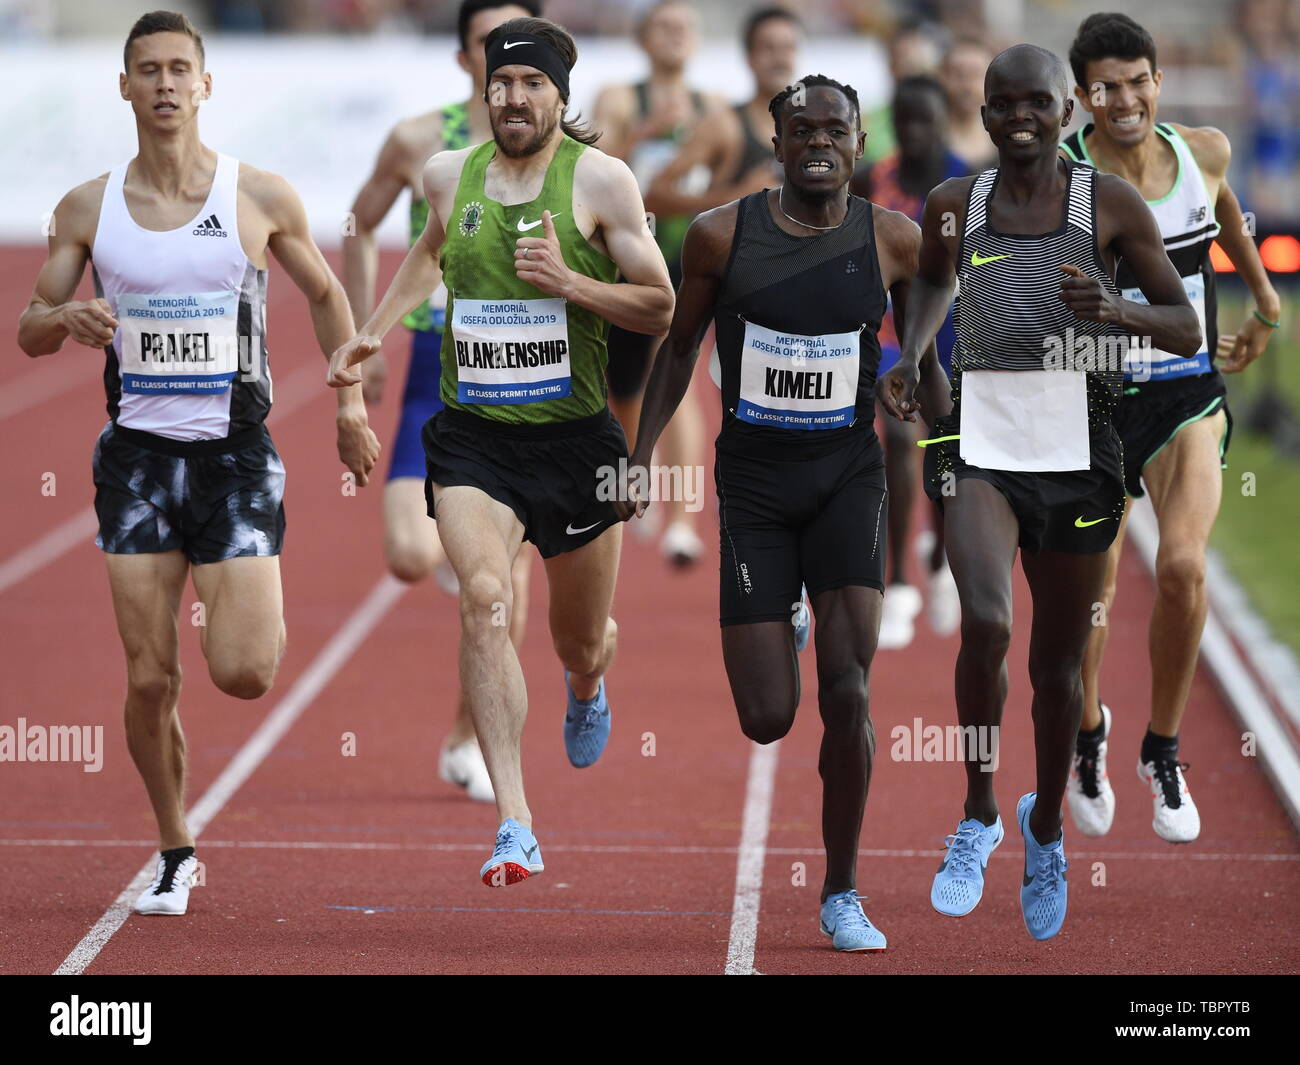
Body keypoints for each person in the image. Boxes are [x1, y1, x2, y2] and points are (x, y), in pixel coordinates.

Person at [16, 11, 379, 915]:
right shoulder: (85, 209)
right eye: (150, 70)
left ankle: (242, 597)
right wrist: (65, 321)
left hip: (235, 459)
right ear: (126, 88)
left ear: (205, 85)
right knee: (148, 675)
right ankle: (175, 844)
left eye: (182, 68)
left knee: (246, 671)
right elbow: (28, 327)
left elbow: (329, 294)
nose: (167, 84)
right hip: (135, 463)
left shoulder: (257, 196)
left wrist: (349, 399)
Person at [328, 17, 673, 886]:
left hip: (578, 444)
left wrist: (569, 282)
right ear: (484, 92)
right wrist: (372, 332)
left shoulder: (602, 181)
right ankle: (514, 819)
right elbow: (430, 255)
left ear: (561, 94)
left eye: (532, 85)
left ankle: (589, 682)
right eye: (501, 84)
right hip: (475, 438)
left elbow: (660, 304)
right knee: (484, 599)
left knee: (578, 639)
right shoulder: (450, 174)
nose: (514, 98)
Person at [878, 44, 1201, 940]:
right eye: (1001, 104)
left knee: (1058, 672)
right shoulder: (955, 205)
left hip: (1081, 446)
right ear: (982, 116)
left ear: (1067, 112)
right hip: (981, 438)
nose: (1019, 117)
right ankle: (979, 808)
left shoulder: (1110, 204)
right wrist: (913, 358)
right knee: (985, 622)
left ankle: (1047, 826)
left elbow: (1182, 326)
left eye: (1037, 103)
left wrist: (1116, 310)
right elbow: (933, 289)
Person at [624, 75, 950, 951]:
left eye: (834, 131)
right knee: (768, 716)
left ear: (857, 144)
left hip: (850, 474)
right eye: (800, 130)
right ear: (776, 142)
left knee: (849, 692)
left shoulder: (890, 236)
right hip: (758, 489)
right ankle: (789, 608)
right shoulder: (720, 236)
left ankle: (841, 889)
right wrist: (640, 455)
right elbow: (682, 344)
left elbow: (938, 286)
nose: (818, 143)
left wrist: (913, 358)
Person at [1060, 12, 1281, 843]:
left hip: (1187, 394)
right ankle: (1090, 733)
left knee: (1184, 565)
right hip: (1093, 403)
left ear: (1159, 80)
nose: (1124, 100)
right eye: (1105, 88)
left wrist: (1263, 302)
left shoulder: (1205, 149)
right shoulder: (1064, 175)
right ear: (1083, 96)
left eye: (1137, 81)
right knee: (1091, 596)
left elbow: (1223, 212)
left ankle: (1162, 746)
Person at [343, 0, 539, 804]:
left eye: (526, 49)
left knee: (504, 586)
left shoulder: (568, 146)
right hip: (437, 363)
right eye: (493, 47)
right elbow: (359, 221)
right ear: (465, 58)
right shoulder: (421, 139)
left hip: (524, 378)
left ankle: (467, 735)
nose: (507, 60)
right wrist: (367, 332)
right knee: (409, 554)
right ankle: (467, 558)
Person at [591, 0, 723, 567]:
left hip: (686, 255)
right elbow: (589, 171)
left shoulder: (712, 108)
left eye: (685, 27)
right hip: (628, 257)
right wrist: (640, 135)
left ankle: (682, 521)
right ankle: (632, 467)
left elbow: (725, 182)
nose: (675, 36)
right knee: (622, 386)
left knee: (680, 373)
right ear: (643, 39)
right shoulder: (618, 99)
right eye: (664, 27)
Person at [851, 74, 966, 648]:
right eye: (906, 119)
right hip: (892, 328)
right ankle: (898, 582)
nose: (916, 132)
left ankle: (943, 560)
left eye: (927, 119)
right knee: (898, 440)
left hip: (954, 327)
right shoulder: (875, 177)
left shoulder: (969, 182)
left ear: (946, 117)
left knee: (947, 446)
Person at [941, 37, 998, 172]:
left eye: (975, 74)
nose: (967, 86)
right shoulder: (928, 139)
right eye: (959, 75)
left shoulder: (1005, 139)